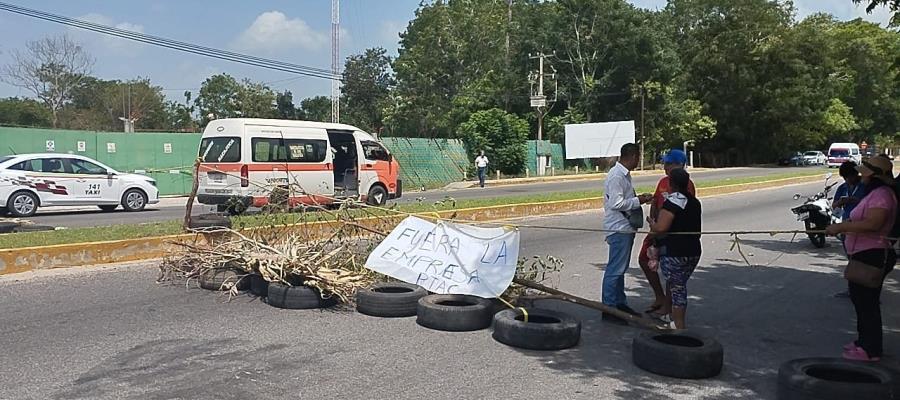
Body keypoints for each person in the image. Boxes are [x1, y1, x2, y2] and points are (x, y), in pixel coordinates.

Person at [826, 156, 897, 362]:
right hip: (864, 253)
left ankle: (871, 349)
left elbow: (873, 224)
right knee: (861, 301)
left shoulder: (882, 195)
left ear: (874, 176)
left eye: (865, 171)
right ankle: (864, 342)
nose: (861, 174)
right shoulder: (875, 194)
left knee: (867, 304)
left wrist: (842, 227)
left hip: (872, 254)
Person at [639, 149, 696, 316]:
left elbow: (682, 213)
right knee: (644, 259)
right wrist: (653, 225)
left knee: (672, 273)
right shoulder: (663, 181)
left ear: (680, 165)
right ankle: (660, 297)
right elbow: (656, 203)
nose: (665, 166)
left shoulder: (686, 186)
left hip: (670, 235)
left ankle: (670, 309)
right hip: (657, 230)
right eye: (665, 163)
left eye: (669, 164)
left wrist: (660, 228)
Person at [602, 143, 653, 324]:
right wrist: (638, 200)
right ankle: (608, 308)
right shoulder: (616, 176)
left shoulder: (624, 175)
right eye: (638, 157)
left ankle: (619, 302)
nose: (638, 161)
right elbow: (616, 203)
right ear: (631, 156)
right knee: (615, 269)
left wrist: (640, 199)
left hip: (626, 227)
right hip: (619, 228)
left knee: (620, 268)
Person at [647, 168, 702, 329]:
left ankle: (679, 326)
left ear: (671, 184)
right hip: (693, 251)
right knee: (677, 284)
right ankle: (672, 318)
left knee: (677, 289)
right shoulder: (694, 202)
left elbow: (661, 228)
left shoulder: (673, 202)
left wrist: (652, 224)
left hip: (675, 252)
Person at [832, 161, 867, 298]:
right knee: (851, 258)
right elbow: (834, 205)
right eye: (845, 178)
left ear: (855, 174)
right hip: (847, 225)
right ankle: (852, 289)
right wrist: (841, 202)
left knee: (863, 259)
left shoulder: (865, 186)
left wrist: (855, 200)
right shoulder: (843, 187)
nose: (848, 180)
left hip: (863, 225)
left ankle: (866, 289)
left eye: (850, 176)